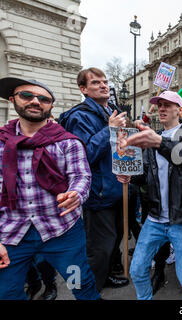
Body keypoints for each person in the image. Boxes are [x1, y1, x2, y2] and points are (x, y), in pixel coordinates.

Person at [0, 77, 100, 300]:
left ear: (50, 106)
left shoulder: (67, 142)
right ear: (12, 100)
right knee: (7, 292)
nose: (35, 101)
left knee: (79, 284)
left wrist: (76, 194)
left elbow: (81, 176)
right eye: (27, 95)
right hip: (11, 235)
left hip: (62, 233)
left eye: (43, 98)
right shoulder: (1, 142)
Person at [117, 91, 182, 300]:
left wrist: (158, 142)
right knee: (137, 270)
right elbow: (146, 175)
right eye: (159, 105)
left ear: (179, 109)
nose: (162, 108)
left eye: (167, 105)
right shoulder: (153, 136)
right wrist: (130, 175)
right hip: (155, 218)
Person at [59, 68, 129, 291]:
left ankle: (105, 277)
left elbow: (117, 149)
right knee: (99, 249)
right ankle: (91, 291)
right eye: (96, 82)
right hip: (98, 195)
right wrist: (109, 129)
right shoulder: (79, 116)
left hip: (116, 188)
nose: (104, 85)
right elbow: (84, 155)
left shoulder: (111, 112)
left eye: (106, 81)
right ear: (83, 89)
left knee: (112, 243)